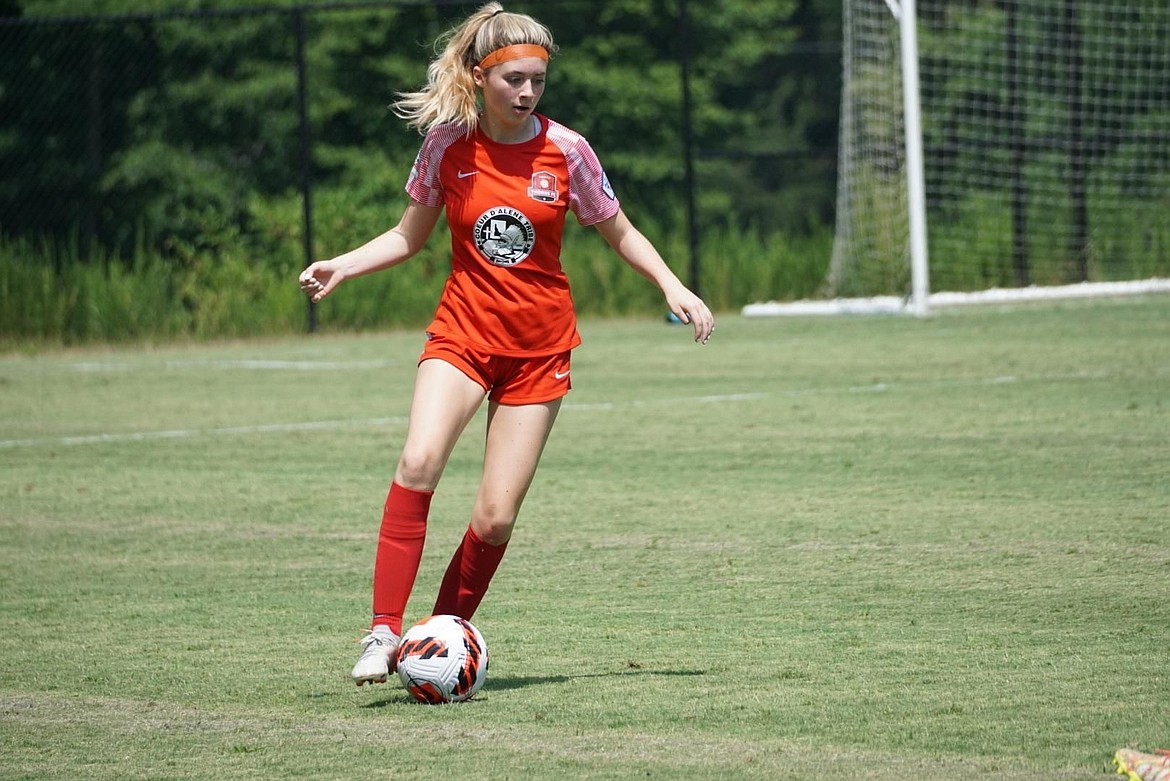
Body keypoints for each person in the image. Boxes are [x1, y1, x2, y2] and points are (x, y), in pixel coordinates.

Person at [298, 1, 715, 687]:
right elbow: (407, 235)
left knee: (493, 519)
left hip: (539, 349)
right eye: (513, 79)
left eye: (537, 80)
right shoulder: (446, 145)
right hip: (462, 334)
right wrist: (344, 263)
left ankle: (434, 642)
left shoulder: (568, 150)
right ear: (479, 76)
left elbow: (619, 230)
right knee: (418, 460)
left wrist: (672, 284)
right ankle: (383, 630)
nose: (526, 93)